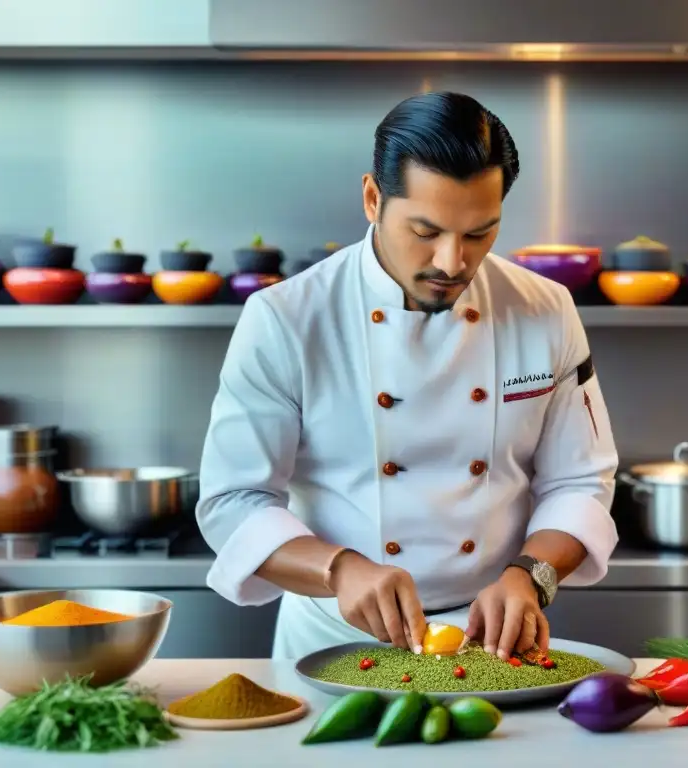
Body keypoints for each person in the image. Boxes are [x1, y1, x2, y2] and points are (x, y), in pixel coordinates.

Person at [196, 91, 619, 661]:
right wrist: (337, 569)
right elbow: (234, 499)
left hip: (494, 642)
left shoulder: (545, 309)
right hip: (334, 640)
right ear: (373, 198)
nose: (452, 262)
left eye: (478, 234)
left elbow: (579, 483)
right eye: (425, 231)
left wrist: (530, 576)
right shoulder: (287, 319)